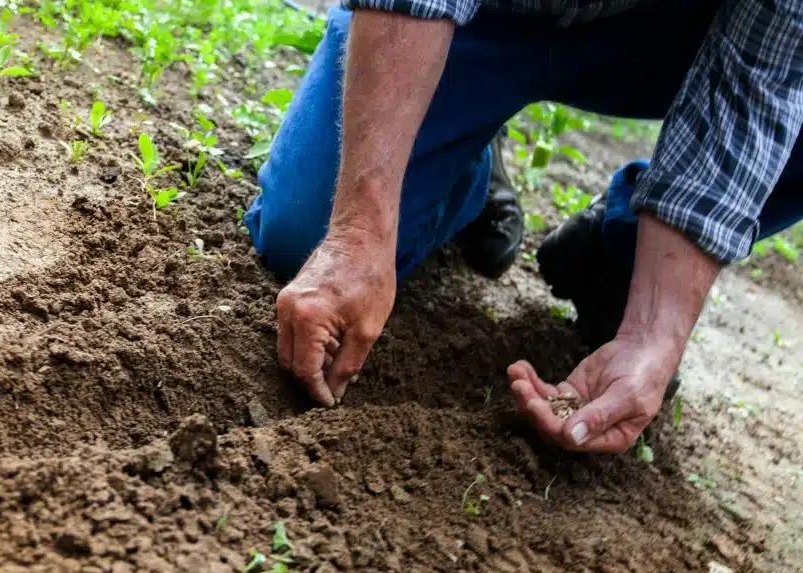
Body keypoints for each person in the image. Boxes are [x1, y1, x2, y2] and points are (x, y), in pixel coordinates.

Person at [244, 0, 803, 454]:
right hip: (482, 17)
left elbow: (762, 79)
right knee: (307, 236)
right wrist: (358, 233)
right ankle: (466, 163)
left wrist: (653, 334)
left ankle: (623, 255)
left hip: (666, 35)